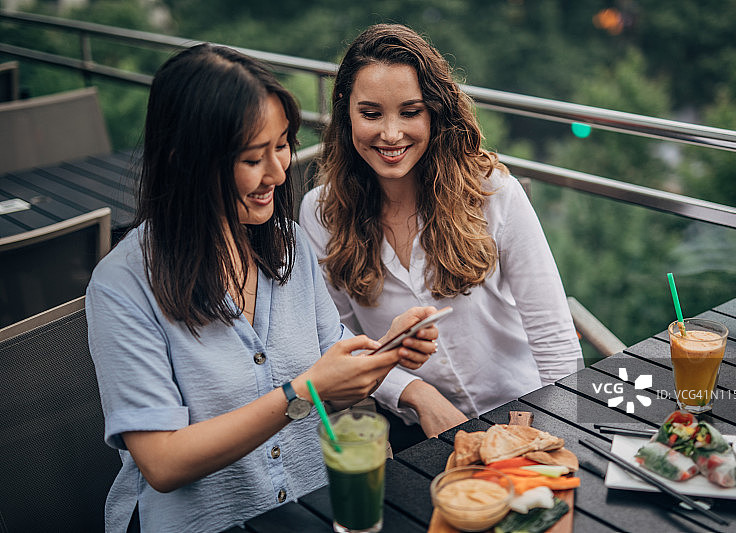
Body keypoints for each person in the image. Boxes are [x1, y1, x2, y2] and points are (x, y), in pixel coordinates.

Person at [86, 43, 439, 533]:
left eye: (282, 145)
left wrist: (386, 352)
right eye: (255, 157)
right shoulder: (122, 285)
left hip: (311, 509)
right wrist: (303, 391)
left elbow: (331, 380)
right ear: (184, 161)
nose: (278, 172)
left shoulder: (288, 245)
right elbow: (162, 463)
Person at [299, 24, 582, 442]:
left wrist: (560, 434)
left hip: (527, 417)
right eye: (371, 113)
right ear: (345, 111)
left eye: (410, 112)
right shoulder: (320, 213)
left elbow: (554, 336)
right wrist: (416, 393)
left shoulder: (494, 193)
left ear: (435, 112)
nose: (391, 134)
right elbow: (337, 339)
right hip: (415, 429)